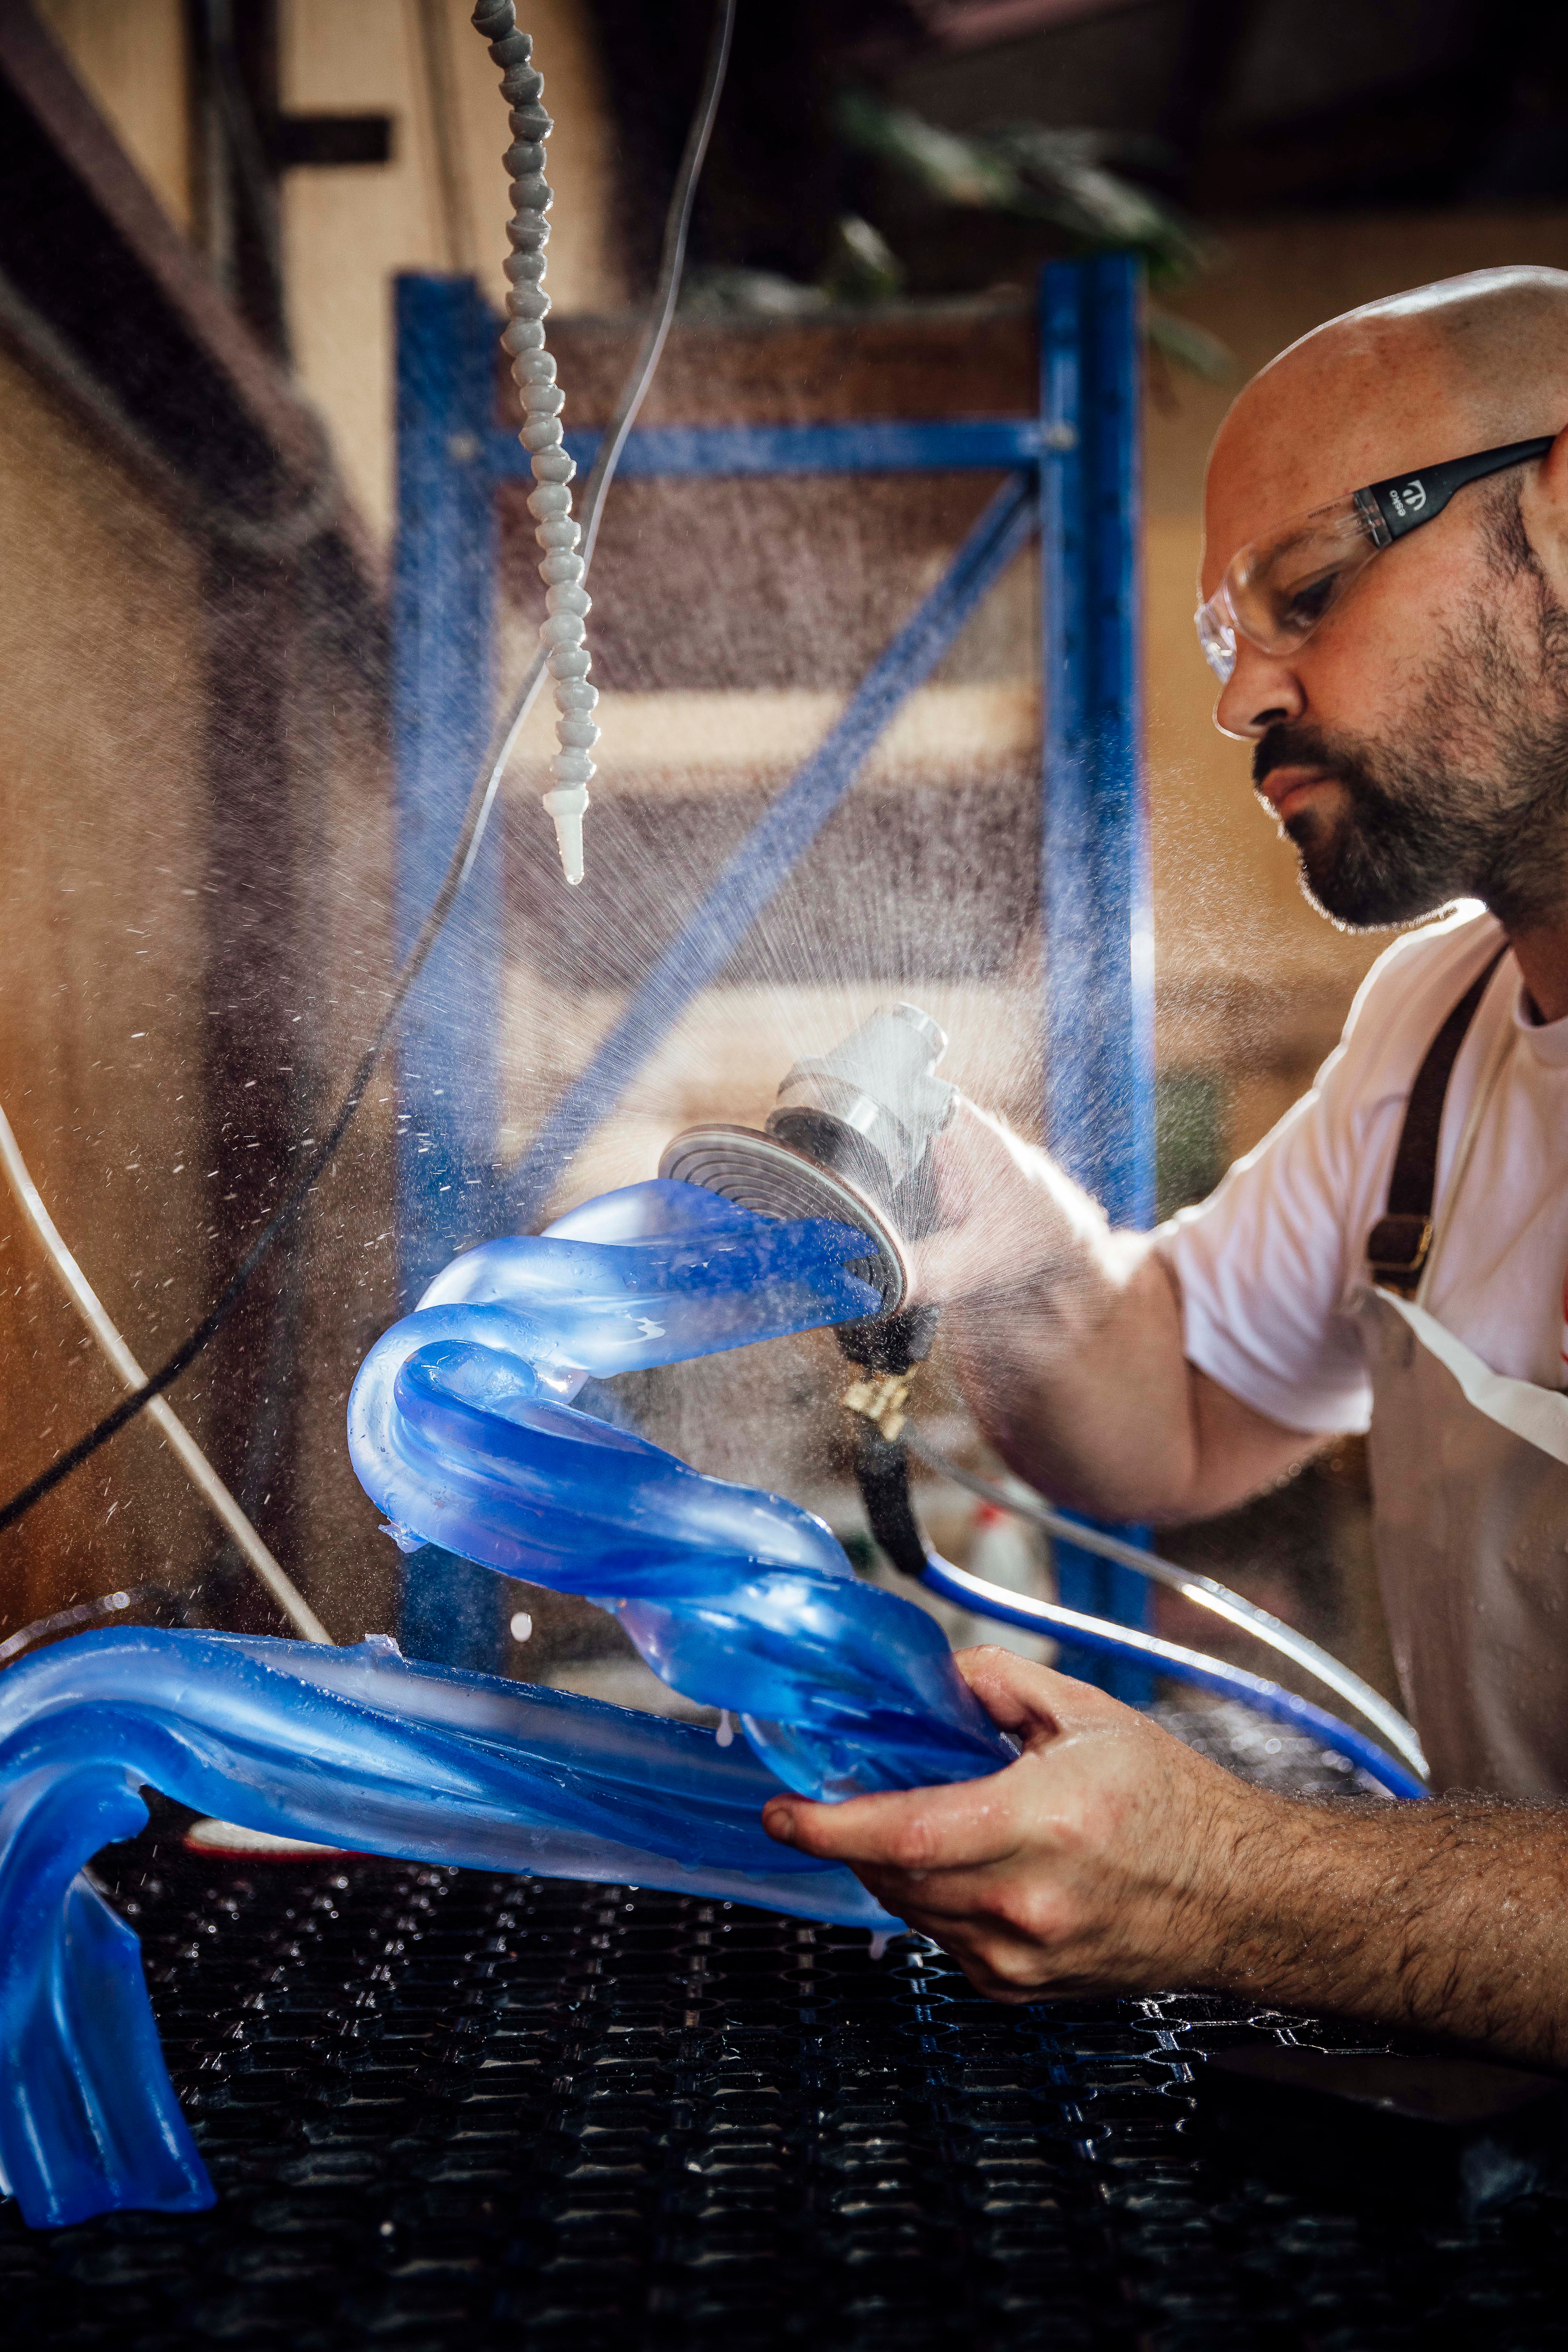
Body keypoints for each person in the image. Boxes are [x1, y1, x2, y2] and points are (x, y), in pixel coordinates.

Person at [763, 265, 1568, 2068]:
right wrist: (993, 1223)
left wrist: (1246, 1883)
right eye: (1228, 636)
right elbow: (1176, 1416)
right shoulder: (1437, 1026)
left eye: (1301, 593)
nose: (1239, 702)